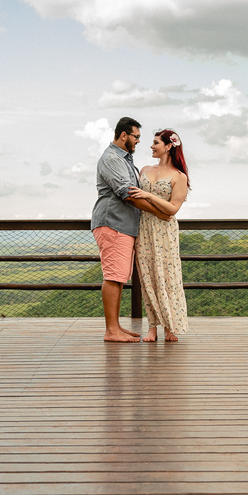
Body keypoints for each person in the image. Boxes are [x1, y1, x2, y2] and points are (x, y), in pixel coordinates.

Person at [91, 117, 169, 343]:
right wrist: (159, 211)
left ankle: (115, 326)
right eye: (136, 137)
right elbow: (127, 193)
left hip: (122, 225)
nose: (138, 142)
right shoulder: (112, 158)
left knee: (119, 276)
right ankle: (111, 330)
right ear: (123, 135)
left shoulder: (125, 160)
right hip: (113, 222)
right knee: (113, 276)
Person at [129, 129, 190, 342]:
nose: (151, 146)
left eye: (155, 142)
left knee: (167, 277)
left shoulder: (178, 176)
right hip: (143, 227)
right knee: (148, 278)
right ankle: (152, 326)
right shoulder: (144, 169)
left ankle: (169, 326)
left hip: (165, 232)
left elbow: (173, 209)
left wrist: (147, 194)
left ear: (169, 146)